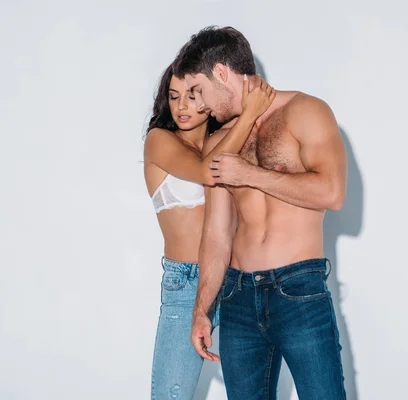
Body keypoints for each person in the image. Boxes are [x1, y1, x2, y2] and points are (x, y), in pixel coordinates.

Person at [173, 26, 348, 399]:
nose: (199, 105)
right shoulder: (220, 141)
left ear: (222, 73)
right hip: (237, 298)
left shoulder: (306, 110)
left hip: (298, 289)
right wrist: (201, 309)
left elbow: (332, 193)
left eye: (198, 90)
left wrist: (250, 174)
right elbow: (217, 233)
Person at [144, 60, 274, 399]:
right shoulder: (159, 141)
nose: (182, 106)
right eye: (174, 97)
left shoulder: (231, 136)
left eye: (192, 94)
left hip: (238, 280)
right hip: (187, 285)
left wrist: (248, 112)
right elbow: (207, 171)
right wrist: (248, 115)